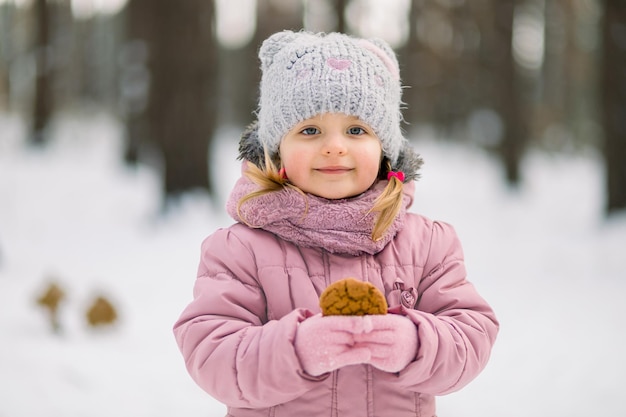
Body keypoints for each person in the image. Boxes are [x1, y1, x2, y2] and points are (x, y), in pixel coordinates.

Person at [173, 30, 498, 417]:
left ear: (384, 152)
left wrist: (416, 343)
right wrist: (295, 348)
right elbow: (211, 350)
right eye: (309, 130)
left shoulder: (428, 244)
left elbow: (472, 333)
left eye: (357, 130)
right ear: (277, 151)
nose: (334, 146)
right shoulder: (240, 249)